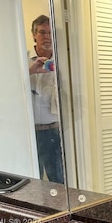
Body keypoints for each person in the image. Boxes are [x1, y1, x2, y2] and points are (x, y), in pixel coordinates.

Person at [28, 15, 64, 184]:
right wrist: (29, 71)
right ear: (34, 35)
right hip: (28, 132)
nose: (47, 37)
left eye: (50, 33)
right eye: (42, 32)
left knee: (57, 179)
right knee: (32, 179)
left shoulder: (63, 61)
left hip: (53, 131)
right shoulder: (22, 59)